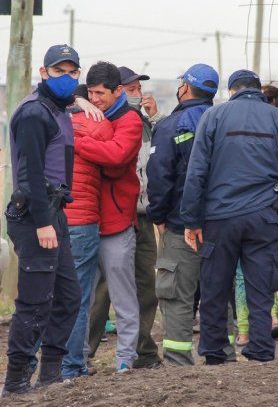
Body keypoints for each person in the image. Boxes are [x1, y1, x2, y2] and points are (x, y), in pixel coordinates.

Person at [181, 69, 278, 364]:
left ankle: (215, 353)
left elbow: (196, 173)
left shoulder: (213, 117)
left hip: (219, 218)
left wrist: (191, 221)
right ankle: (260, 351)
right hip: (263, 217)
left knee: (215, 287)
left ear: (232, 91)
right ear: (258, 91)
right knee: (261, 288)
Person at [2, 44, 81, 396]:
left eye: (72, 71)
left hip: (55, 212)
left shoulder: (59, 108)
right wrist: (42, 221)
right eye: (58, 70)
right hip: (36, 216)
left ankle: (50, 374)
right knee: (35, 300)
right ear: (43, 72)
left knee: (68, 296)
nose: (66, 77)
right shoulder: (35, 113)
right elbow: (29, 172)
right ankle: (16, 381)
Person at [84, 66, 162, 371]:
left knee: (139, 288)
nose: (136, 92)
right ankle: (83, 354)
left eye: (137, 87)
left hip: (136, 214)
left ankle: (136, 354)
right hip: (102, 216)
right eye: (130, 87)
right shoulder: (95, 116)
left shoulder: (137, 121)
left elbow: (126, 159)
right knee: (98, 293)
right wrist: (82, 103)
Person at [73, 61, 143, 372]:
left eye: (101, 93)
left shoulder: (130, 120)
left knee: (122, 294)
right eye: (91, 92)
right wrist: (80, 101)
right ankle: (79, 358)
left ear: (118, 91)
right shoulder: (83, 108)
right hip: (85, 220)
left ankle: (126, 358)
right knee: (83, 298)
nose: (96, 98)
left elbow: (116, 157)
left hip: (116, 222)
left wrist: (78, 141)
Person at [146, 63, 218, 365]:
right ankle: (221, 356)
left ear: (185, 88)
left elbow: (160, 177)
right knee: (218, 292)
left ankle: (178, 360)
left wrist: (158, 216)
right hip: (220, 223)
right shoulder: (220, 120)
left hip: (180, 225)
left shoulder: (170, 125)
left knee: (176, 294)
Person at [61, 84, 115, 379]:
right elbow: (114, 159)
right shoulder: (97, 122)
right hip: (83, 220)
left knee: (52, 294)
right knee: (80, 297)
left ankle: (50, 362)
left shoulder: (51, 119)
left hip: (53, 220)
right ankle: (72, 364)